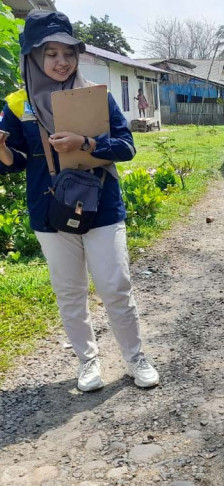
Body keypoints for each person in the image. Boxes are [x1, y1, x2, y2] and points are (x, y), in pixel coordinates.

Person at [0, 10, 160, 392]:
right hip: (49, 211)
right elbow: (16, 164)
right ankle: (87, 363)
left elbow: (125, 147)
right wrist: (3, 151)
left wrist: (84, 144)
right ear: (33, 58)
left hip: (101, 206)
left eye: (67, 53)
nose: (61, 62)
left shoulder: (95, 97)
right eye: (50, 53)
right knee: (70, 292)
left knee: (115, 286)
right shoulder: (17, 105)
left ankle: (136, 357)